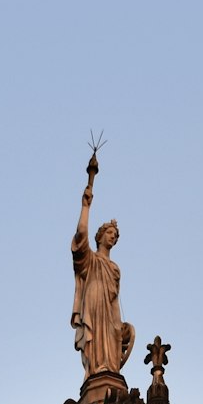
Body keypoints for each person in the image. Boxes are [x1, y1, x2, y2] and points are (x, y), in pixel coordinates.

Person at [71, 153, 134, 378]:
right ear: (100, 236)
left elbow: (115, 302)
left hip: (108, 315)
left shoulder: (115, 269)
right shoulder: (91, 259)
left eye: (115, 236)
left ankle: (109, 368)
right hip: (93, 304)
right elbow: (80, 236)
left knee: (108, 347)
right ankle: (94, 372)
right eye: (109, 233)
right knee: (95, 345)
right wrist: (85, 207)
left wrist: (120, 329)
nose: (112, 238)